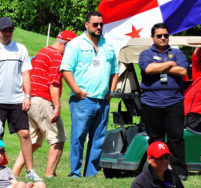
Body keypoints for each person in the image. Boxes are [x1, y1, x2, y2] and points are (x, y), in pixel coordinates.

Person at [60, 11, 118, 177]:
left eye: (101, 24)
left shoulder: (108, 45)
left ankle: (91, 174)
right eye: (95, 24)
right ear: (87, 25)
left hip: (103, 101)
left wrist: (111, 91)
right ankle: (75, 173)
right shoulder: (76, 44)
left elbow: (115, 71)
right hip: (83, 101)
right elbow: (66, 69)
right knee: (78, 137)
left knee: (98, 140)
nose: (99, 27)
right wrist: (77, 90)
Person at [13, 30, 77, 178]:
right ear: (67, 45)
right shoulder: (57, 57)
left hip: (29, 100)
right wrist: (57, 107)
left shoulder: (43, 52)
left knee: (33, 142)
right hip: (42, 100)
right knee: (58, 138)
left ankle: (13, 175)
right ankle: (50, 176)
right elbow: (53, 83)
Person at [139, 23, 188, 180]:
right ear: (152, 37)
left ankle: (180, 171)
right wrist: (169, 64)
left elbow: (183, 71)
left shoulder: (177, 53)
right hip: (151, 103)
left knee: (176, 138)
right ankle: (156, 172)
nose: (163, 38)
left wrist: (159, 67)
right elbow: (148, 69)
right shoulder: (145, 53)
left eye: (165, 35)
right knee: (156, 140)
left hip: (174, 103)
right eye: (159, 35)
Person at [0, 17, 42, 181]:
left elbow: (26, 74)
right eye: (4, 30)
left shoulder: (21, 49)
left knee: (25, 134)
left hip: (17, 100)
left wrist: (27, 96)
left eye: (10, 30)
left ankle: (30, 171)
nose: (7, 34)